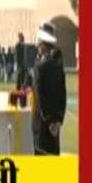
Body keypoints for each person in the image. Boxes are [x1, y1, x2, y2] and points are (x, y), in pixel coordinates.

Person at [32, 22, 67, 155]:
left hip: (42, 125)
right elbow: (62, 95)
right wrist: (57, 120)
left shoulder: (40, 67)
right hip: (55, 126)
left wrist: (48, 120)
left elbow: (40, 98)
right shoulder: (59, 67)